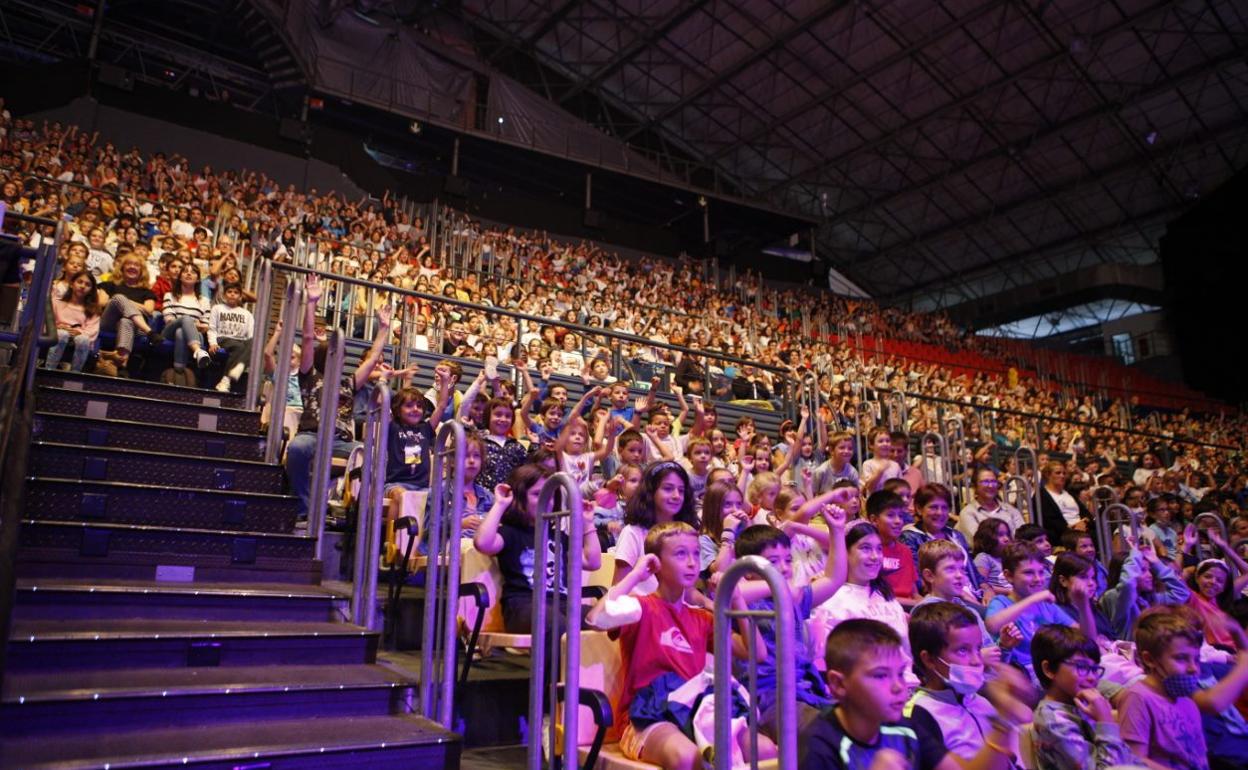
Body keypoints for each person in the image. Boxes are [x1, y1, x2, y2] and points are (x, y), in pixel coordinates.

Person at [586, 521, 776, 769]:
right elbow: (595, 619)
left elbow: (757, 654)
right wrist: (636, 575)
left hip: (693, 711)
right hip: (646, 717)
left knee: (765, 750)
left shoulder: (702, 618)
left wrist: (737, 598)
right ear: (656, 563)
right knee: (686, 756)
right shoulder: (640, 607)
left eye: (696, 553)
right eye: (680, 554)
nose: (692, 563)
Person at [800, 618, 1031, 770]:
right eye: (881, 675)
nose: (898, 687)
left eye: (901, 673)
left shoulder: (904, 726)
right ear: (838, 684)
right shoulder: (817, 746)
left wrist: (1005, 717)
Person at [729, 500, 850, 735]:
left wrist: (836, 531)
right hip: (767, 696)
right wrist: (778, 586)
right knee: (824, 732)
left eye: (788, 559)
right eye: (773, 562)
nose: (784, 568)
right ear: (748, 571)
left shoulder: (792, 597)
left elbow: (833, 579)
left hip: (805, 689)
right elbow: (729, 588)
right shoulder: (741, 599)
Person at [285, 276, 390, 520]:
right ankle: (304, 508)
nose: (340, 360)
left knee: (376, 454)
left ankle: (352, 510)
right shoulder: (311, 375)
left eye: (341, 356)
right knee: (297, 448)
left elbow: (372, 359)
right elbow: (308, 338)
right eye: (335, 355)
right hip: (312, 435)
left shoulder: (348, 384)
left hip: (341, 440)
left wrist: (384, 328)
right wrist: (312, 302)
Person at [474, 464, 602, 634]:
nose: (546, 501)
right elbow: (482, 543)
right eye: (537, 494)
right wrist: (501, 504)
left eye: (550, 495)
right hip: (523, 606)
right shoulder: (511, 533)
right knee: (556, 623)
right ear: (519, 498)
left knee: (602, 620)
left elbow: (592, 562)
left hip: (562, 604)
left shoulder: (558, 536)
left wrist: (588, 522)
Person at [906, 602, 1019, 764]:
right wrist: (1005, 718)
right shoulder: (919, 715)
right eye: (963, 650)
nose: (976, 661)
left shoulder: (980, 700)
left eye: (978, 649)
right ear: (929, 659)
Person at [810, 521, 914, 679]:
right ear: (845, 552)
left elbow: (905, 652)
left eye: (879, 549)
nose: (875, 556)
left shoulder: (886, 597)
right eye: (865, 548)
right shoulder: (829, 600)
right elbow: (823, 659)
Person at [1030, 624, 1139, 770]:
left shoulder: (1082, 704)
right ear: (1049, 669)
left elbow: (1129, 759)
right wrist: (1105, 721)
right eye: (1081, 667)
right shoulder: (1052, 720)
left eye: (1094, 669)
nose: (1092, 678)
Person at [1116, 606, 1210, 770]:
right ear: (1150, 659)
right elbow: (1134, 760)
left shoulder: (1187, 700)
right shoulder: (1138, 697)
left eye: (1196, 659)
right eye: (1181, 658)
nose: (1193, 668)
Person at [985, 542, 1096, 680]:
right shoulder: (1001, 602)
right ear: (1009, 576)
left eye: (1041, 572)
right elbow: (992, 625)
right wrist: (1033, 599)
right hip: (1022, 674)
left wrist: (1084, 607)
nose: (1038, 579)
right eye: (1029, 573)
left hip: (1052, 671)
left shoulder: (1046, 605)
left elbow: (1088, 639)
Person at [612, 460, 700, 596]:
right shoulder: (632, 533)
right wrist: (654, 605)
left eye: (681, 490)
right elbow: (618, 589)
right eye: (668, 489)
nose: (677, 496)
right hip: (641, 607)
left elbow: (688, 593)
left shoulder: (686, 533)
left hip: (676, 608)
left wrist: (713, 605)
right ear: (651, 492)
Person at [1099, 541, 1190, 642]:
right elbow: (1128, 584)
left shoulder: (1148, 597)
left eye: (1149, 570)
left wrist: (1156, 563)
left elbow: (1182, 593)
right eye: (1142, 570)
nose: (1150, 575)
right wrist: (1135, 554)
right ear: (1124, 573)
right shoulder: (1113, 596)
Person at [866, 490, 918, 604]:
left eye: (901, 516)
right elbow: (871, 596)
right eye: (890, 515)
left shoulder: (906, 551)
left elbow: (914, 593)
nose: (898, 521)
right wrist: (916, 604)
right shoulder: (867, 553)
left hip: (910, 607)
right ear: (874, 520)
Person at [160, 261, 213, 372]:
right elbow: (169, 320)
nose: (189, 274)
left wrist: (189, 326)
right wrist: (191, 323)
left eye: (193, 272)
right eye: (185, 271)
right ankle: (198, 351)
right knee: (185, 319)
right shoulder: (169, 296)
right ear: (180, 277)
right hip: (169, 332)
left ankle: (179, 369)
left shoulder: (204, 301)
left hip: (195, 335)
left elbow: (205, 327)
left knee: (181, 332)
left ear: (198, 279)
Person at [46, 270, 100, 372]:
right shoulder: (56, 304)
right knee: (62, 334)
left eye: (87, 285)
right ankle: (49, 370)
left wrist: (79, 332)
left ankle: (75, 373)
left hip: (79, 338)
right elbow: (47, 323)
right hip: (58, 334)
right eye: (80, 282)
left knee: (83, 339)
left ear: (91, 290)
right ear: (71, 284)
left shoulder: (93, 311)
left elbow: (92, 331)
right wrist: (56, 327)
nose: (83, 286)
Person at [206, 282, 254, 393]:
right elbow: (212, 328)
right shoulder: (217, 308)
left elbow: (250, 335)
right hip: (222, 338)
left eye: (236, 292)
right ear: (224, 295)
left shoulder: (247, 314)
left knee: (254, 342)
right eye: (229, 292)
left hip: (240, 341)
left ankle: (227, 378)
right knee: (240, 347)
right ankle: (238, 367)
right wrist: (212, 343)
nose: (232, 294)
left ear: (240, 296)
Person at [957, 466, 1025, 539]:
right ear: (975, 486)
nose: (990, 486)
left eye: (993, 482)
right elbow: (979, 540)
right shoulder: (968, 513)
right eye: (985, 482)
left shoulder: (1010, 510)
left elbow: (1023, 536)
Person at [971, 517, 1013, 598]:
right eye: (1000, 535)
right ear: (988, 538)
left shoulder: (1008, 558)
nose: (1007, 539)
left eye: (1007, 534)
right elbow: (980, 585)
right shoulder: (984, 558)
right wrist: (1009, 591)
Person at [861, 427, 901, 494]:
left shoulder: (895, 465)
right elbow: (869, 487)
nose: (885, 444)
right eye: (880, 441)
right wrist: (880, 471)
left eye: (888, 441)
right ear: (871, 445)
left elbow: (900, 486)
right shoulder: (868, 464)